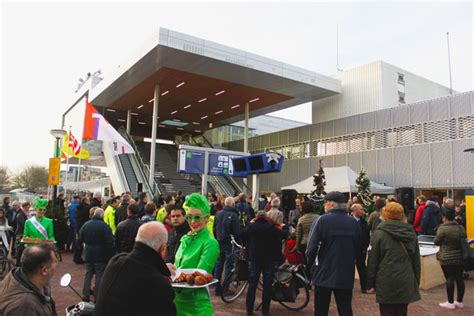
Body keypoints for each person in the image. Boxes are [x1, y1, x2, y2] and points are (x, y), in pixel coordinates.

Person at [94, 222, 176, 316]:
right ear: (163, 248)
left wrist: (162, 269)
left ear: (136, 240)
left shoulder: (116, 261)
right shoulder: (160, 285)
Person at [306, 191, 361, 316]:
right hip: (346, 273)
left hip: (323, 272)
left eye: (325, 203)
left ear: (331, 204)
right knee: (345, 309)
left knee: (321, 309)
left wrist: (309, 268)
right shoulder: (353, 223)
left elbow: (311, 248)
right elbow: (358, 250)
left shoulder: (321, 221)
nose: (324, 206)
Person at [167, 193, 220, 316]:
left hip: (196, 306)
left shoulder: (210, 243)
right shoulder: (186, 237)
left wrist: (175, 275)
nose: (192, 222)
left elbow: (200, 276)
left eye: (197, 217)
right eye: (189, 217)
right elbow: (177, 266)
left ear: (207, 218)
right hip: (176, 302)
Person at [367, 202, 421, 316]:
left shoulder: (379, 234)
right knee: (402, 311)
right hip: (406, 278)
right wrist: (416, 280)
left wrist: (370, 283)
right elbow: (416, 261)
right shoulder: (411, 233)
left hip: (385, 280)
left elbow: (373, 261)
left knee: (386, 311)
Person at [243, 210, 289, 316]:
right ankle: (265, 311)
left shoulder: (252, 227)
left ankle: (249, 311)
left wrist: (250, 223)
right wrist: (284, 226)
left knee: (252, 286)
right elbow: (284, 234)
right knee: (267, 286)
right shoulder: (271, 227)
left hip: (255, 259)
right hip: (269, 259)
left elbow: (242, 234)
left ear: (257, 217)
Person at [0, 243, 58, 315]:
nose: (56, 266)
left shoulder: (19, 276)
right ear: (44, 270)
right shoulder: (24, 307)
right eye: (55, 262)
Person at [78, 208, 115, 302]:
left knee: (88, 274)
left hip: (88, 253)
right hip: (101, 254)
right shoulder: (105, 227)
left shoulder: (86, 225)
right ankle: (97, 295)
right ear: (102, 216)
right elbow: (110, 243)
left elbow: (80, 238)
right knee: (99, 275)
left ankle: (85, 294)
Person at [434, 207, 466, 310]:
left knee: (450, 279)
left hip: (446, 258)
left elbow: (437, 242)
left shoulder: (442, 229)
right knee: (460, 279)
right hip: (460, 257)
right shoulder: (460, 228)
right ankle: (460, 301)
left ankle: (450, 302)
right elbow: (464, 238)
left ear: (445, 218)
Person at [213, 197, 241, 296]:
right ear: (233, 204)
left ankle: (217, 287)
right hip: (230, 242)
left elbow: (214, 228)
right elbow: (237, 232)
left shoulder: (218, 213)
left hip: (219, 241)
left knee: (218, 264)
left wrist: (217, 238)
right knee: (229, 266)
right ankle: (225, 288)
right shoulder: (234, 215)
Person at [351, 203, 370, 293]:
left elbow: (367, 235)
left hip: (361, 249)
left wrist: (365, 247)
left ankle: (364, 287)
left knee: (362, 269)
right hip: (350, 249)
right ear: (355, 211)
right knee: (349, 269)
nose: (362, 211)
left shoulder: (363, 222)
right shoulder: (349, 221)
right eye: (361, 210)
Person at [295, 201, 319, 273]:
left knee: (306, 263)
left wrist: (297, 247)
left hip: (304, 244)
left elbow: (298, 236)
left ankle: (307, 278)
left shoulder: (301, 220)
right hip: (316, 243)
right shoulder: (318, 218)